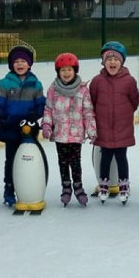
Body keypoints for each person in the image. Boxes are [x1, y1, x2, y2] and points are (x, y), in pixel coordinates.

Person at [0, 45, 46, 207]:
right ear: (11, 65)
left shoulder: (36, 84)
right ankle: (9, 189)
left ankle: (30, 185)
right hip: (11, 128)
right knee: (11, 160)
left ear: (29, 64)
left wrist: (33, 117)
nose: (20, 64)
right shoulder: (5, 83)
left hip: (28, 129)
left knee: (29, 159)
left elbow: (41, 105)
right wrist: (4, 117)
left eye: (23, 61)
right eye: (16, 61)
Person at [41, 52, 96, 206]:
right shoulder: (53, 89)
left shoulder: (83, 90)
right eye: (63, 70)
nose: (66, 73)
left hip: (76, 134)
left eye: (69, 70)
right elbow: (48, 109)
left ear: (75, 71)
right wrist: (46, 125)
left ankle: (78, 187)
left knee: (76, 162)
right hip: (59, 134)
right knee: (63, 162)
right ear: (58, 72)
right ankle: (66, 187)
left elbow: (88, 112)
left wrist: (92, 131)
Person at [89, 41, 139, 204]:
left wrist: (123, 116)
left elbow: (134, 102)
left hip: (122, 128)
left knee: (121, 157)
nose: (112, 62)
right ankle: (104, 184)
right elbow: (93, 101)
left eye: (116, 59)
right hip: (103, 128)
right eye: (108, 59)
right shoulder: (97, 81)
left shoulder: (129, 81)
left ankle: (123, 184)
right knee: (105, 157)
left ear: (122, 61)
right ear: (103, 61)